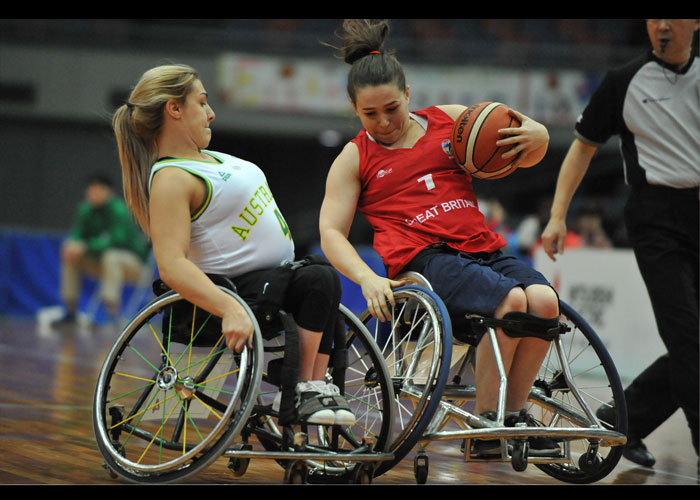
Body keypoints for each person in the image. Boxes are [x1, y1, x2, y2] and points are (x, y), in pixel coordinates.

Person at [319, 19, 559, 456]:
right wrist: (367, 278)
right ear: (355, 110)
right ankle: (486, 425)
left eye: (391, 108)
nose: (384, 121)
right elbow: (331, 233)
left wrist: (539, 135)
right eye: (369, 114)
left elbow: (527, 148)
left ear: (408, 94)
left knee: (544, 302)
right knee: (512, 302)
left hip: (481, 247)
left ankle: (514, 413)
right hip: (424, 261)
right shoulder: (355, 156)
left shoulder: (450, 120)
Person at [112, 64, 354, 426]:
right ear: (174, 109)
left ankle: (312, 387)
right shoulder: (171, 178)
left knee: (320, 276)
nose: (210, 113)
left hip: (272, 281)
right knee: (319, 275)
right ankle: (306, 387)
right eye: (202, 102)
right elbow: (172, 264)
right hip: (236, 293)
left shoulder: (212, 159)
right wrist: (228, 308)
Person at [540, 19, 699, 467]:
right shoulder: (623, 81)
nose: (662, 26)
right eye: (652, 18)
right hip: (656, 218)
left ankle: (621, 421)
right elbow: (582, 148)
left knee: (695, 343)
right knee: (687, 335)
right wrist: (556, 216)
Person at [59, 174, 149, 321]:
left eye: (97, 190)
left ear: (108, 192)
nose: (93, 193)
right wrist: (73, 245)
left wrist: (85, 246)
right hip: (102, 266)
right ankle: (70, 312)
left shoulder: (118, 210)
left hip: (134, 266)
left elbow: (117, 240)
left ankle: (112, 313)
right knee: (69, 251)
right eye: (90, 190)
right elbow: (76, 235)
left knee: (111, 256)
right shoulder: (85, 209)